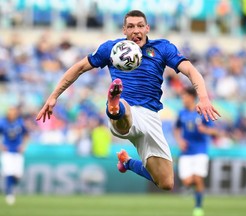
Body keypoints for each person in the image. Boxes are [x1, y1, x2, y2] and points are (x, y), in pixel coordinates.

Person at [36, 10, 220, 191]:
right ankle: (114, 103)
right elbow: (79, 67)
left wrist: (203, 98)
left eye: (140, 26)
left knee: (166, 182)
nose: (136, 30)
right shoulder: (111, 48)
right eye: (130, 26)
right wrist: (54, 96)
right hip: (126, 110)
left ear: (147, 28)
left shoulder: (162, 48)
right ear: (124, 30)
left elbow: (190, 70)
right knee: (123, 110)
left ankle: (127, 162)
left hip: (150, 117)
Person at [174, 87, 219, 216]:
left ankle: (198, 208)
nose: (183, 99)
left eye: (184, 96)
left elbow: (215, 131)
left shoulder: (202, 112)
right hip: (186, 152)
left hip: (200, 150)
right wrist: (179, 141)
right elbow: (176, 129)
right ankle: (196, 191)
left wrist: (204, 130)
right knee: (187, 181)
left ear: (191, 97)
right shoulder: (181, 113)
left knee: (198, 179)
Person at [0, 106, 29, 205]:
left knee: (17, 175)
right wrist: (1, 146)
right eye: (10, 111)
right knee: (8, 173)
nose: (12, 113)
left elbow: (26, 134)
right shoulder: (2, 122)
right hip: (7, 152)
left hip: (17, 152)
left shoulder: (20, 122)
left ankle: (13, 188)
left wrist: (23, 146)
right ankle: (9, 194)